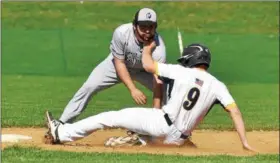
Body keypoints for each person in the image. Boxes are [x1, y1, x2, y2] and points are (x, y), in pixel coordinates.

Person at [44, 41, 255, 152]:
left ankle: (61, 133)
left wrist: (148, 48)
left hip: (160, 122)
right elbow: (234, 112)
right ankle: (141, 142)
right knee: (153, 137)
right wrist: (244, 142)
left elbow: (146, 65)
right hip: (178, 139)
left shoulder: (181, 71)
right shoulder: (218, 86)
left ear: (192, 59)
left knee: (108, 117)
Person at [50, 7, 167, 125]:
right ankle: (62, 123)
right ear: (134, 26)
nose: (147, 31)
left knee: (169, 93)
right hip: (116, 66)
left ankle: (170, 128)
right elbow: (119, 63)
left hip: (144, 71)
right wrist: (133, 89)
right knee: (89, 87)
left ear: (155, 27)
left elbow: (158, 83)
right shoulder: (122, 33)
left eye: (150, 27)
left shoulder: (159, 48)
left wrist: (155, 115)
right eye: (143, 27)